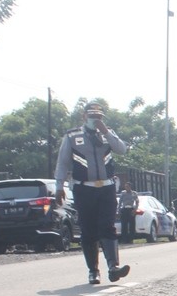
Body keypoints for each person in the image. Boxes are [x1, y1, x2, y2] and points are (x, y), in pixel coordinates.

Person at [54, 101, 130, 285]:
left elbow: (122, 149)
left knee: (107, 226)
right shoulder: (72, 136)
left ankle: (113, 267)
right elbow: (63, 162)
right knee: (88, 229)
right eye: (92, 116)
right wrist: (59, 186)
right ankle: (93, 271)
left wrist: (105, 131)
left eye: (99, 116)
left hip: (106, 188)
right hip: (83, 188)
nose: (95, 119)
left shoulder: (108, 133)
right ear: (84, 116)